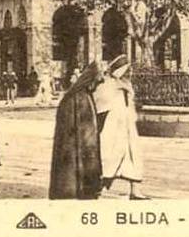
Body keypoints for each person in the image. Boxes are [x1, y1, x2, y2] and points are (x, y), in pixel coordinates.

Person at [92, 55, 147, 200]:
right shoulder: (107, 84)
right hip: (113, 127)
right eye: (126, 69)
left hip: (128, 126)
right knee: (111, 156)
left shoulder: (126, 84)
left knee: (134, 156)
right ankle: (101, 188)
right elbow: (100, 103)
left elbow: (131, 103)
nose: (128, 72)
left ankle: (135, 190)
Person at [49, 61, 103, 200]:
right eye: (96, 82)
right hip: (75, 145)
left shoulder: (84, 95)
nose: (97, 86)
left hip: (84, 144)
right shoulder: (78, 97)